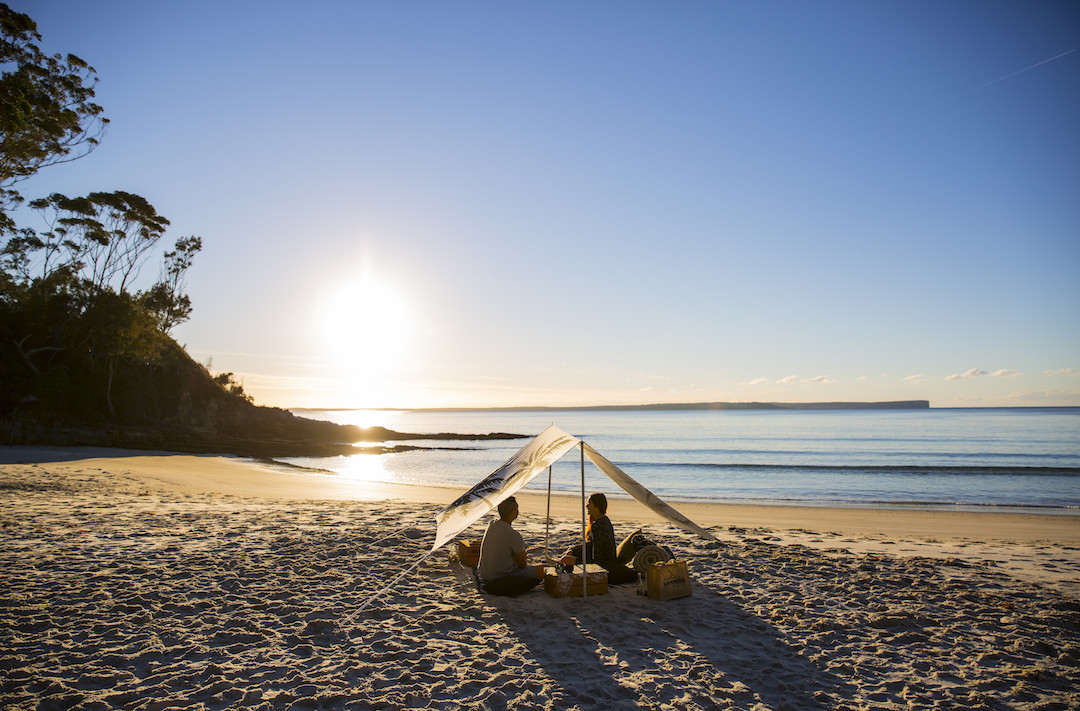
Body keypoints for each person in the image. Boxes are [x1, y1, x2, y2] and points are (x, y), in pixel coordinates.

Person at [559, 492, 639, 585]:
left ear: (596, 507)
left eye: (590, 504)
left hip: (604, 563)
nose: (587, 506)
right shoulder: (604, 519)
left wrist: (576, 561)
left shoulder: (598, 525)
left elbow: (598, 559)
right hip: (600, 557)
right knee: (570, 552)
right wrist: (575, 549)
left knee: (566, 559)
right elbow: (593, 544)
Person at [477, 496, 545, 596]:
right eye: (517, 509)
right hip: (501, 577)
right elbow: (523, 565)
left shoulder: (491, 525)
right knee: (543, 569)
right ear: (513, 513)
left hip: (484, 574)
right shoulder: (514, 535)